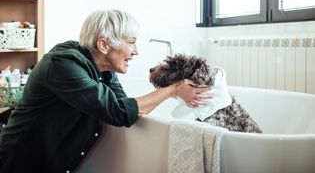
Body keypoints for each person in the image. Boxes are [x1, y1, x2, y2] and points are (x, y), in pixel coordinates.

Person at [0, 10, 211, 173]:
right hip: (20, 162)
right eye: (131, 43)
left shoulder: (105, 71)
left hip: (52, 161)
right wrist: (172, 89)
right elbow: (119, 112)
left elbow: (128, 108)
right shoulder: (63, 64)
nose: (136, 51)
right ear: (103, 45)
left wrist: (171, 91)